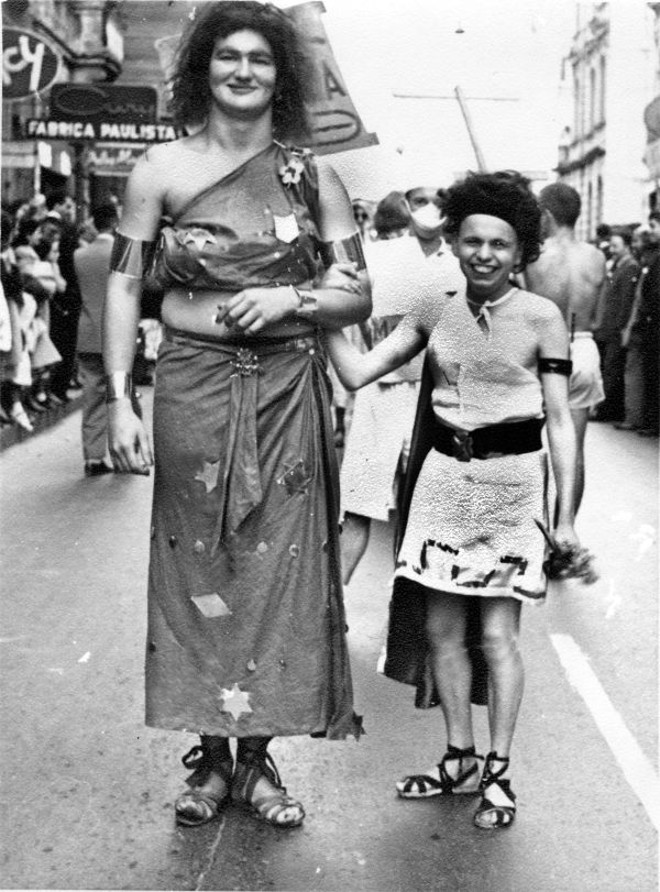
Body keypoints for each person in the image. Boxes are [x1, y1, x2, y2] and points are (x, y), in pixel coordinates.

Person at [103, 0, 371, 830]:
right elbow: (123, 280)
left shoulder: (312, 175)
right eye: (229, 57)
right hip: (191, 389)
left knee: (278, 574)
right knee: (197, 567)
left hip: (289, 391)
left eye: (260, 58)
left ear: (280, 74)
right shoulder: (158, 172)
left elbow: (355, 288)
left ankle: (256, 763)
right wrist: (119, 397)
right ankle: (210, 759)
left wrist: (289, 293)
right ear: (204, 70)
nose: (244, 71)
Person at [326, 170, 580, 830]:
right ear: (456, 242)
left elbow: (558, 419)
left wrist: (565, 519)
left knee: (497, 636)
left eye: (500, 244)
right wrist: (321, 308)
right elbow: (357, 372)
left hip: (512, 488)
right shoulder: (434, 309)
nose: (485, 255)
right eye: (473, 241)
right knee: (443, 632)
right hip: (441, 484)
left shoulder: (542, 318)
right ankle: (458, 757)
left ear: (519, 251)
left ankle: (498, 772)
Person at [340, 185, 462, 585]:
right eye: (420, 200)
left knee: (432, 511)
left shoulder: (461, 259)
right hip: (384, 390)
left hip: (438, 396)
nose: (430, 210)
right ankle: (330, 608)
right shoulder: (380, 255)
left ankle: (420, 617)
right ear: (406, 206)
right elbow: (354, 309)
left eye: (439, 200)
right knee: (358, 504)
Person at [524, 182, 606, 515]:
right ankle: (566, 526)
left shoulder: (535, 255)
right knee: (575, 448)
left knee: (529, 445)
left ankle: (535, 528)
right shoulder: (596, 256)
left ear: (546, 214)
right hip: (584, 345)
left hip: (544, 350)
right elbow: (599, 317)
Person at [75, 204, 121, 477]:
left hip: (89, 332)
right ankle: (126, 452)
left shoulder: (80, 255)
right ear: (115, 223)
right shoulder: (122, 254)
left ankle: (93, 457)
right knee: (123, 395)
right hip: (119, 336)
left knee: (92, 396)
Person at [617, 211, 660, 436]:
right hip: (650, 327)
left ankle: (652, 421)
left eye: (654, 226)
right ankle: (651, 420)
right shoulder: (653, 259)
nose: (652, 231)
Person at [592, 228, 639, 422]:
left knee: (612, 368)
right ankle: (608, 408)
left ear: (627, 247)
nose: (611, 249)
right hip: (609, 326)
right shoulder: (618, 265)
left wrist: (621, 326)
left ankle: (608, 410)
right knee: (608, 367)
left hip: (615, 327)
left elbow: (626, 300)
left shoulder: (629, 267)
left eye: (615, 246)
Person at [45, 190, 81, 405]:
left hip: (56, 292)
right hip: (65, 294)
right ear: (57, 205)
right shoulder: (64, 230)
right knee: (64, 343)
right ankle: (58, 388)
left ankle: (53, 388)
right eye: (67, 206)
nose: (70, 211)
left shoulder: (46, 225)